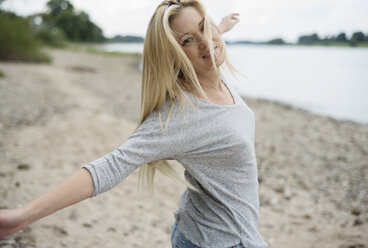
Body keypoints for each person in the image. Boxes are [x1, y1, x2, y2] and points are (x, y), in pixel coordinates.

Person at [0, 1, 268, 247]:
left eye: (205, 27)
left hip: (219, 229)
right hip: (219, 240)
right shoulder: (181, 117)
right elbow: (112, 164)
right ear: (174, 54)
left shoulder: (212, 69)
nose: (206, 43)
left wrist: (220, 27)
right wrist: (22, 216)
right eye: (187, 40)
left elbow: (207, 43)